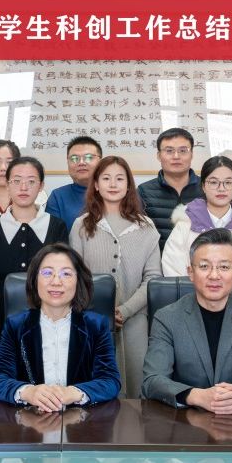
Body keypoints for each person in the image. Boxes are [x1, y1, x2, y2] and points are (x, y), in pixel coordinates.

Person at [143, 228, 232, 412]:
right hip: (183, 421)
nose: (214, 275)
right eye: (204, 266)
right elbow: (152, 380)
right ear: (190, 272)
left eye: (224, 267)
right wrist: (197, 396)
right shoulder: (167, 318)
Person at [0, 157, 69, 396]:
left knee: (45, 396)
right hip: (0, 322)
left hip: (47, 322)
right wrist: (14, 315)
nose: (23, 187)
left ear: (41, 186)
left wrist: (38, 311)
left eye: (31, 181)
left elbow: (61, 276)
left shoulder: (56, 226)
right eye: (16, 181)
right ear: (7, 184)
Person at [0, 244, 121, 410]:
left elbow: (110, 381)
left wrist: (75, 392)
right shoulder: (16, 326)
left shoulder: (96, 326)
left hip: (82, 420)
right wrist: (28, 392)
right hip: (30, 419)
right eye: (47, 273)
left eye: (66, 274)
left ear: (78, 281)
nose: (56, 282)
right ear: (35, 279)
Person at [69, 156, 161, 399]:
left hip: (135, 322)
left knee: (136, 392)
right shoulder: (81, 225)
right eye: (106, 178)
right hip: (90, 320)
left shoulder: (146, 227)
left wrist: (125, 310)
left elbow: (153, 278)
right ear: (96, 185)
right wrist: (100, 310)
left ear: (129, 185)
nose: (113, 184)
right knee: (93, 390)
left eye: (120, 178)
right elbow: (74, 276)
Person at [161, 155, 232, 302]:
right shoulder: (184, 226)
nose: (221, 188)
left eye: (228, 182)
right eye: (213, 182)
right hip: (193, 309)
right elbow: (174, 272)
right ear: (203, 185)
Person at [137, 128, 204, 248]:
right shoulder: (143, 191)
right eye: (169, 151)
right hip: (158, 259)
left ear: (192, 155)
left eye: (183, 150)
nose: (176, 156)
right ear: (159, 156)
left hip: (201, 258)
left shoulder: (207, 188)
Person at [46, 135, 102, 228]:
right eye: (74, 158)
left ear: (100, 162)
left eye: (88, 157)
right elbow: (53, 235)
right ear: (67, 162)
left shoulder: (113, 191)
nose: (81, 163)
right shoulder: (58, 196)